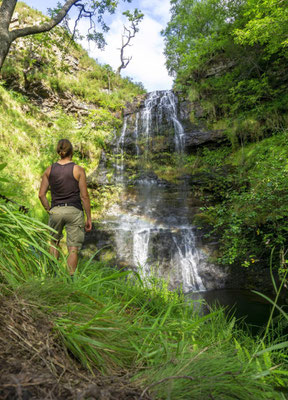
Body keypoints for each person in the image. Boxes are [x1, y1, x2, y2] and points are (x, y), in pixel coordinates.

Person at [39, 139, 92, 276]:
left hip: (56, 210)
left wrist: (49, 210)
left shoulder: (49, 170)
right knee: (73, 248)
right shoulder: (78, 170)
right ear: (71, 151)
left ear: (59, 151)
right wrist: (89, 218)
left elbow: (41, 195)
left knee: (54, 243)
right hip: (74, 211)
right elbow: (84, 196)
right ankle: (70, 280)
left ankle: (51, 277)